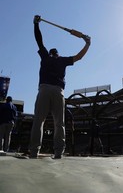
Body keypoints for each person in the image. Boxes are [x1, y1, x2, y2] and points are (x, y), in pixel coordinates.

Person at [29, 15, 91, 159]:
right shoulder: (62, 60)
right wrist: (87, 44)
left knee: (39, 121)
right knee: (59, 124)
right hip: (58, 92)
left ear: (50, 53)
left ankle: (33, 151)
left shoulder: (45, 57)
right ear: (58, 54)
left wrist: (36, 24)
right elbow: (79, 57)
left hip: (44, 90)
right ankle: (58, 152)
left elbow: (39, 40)